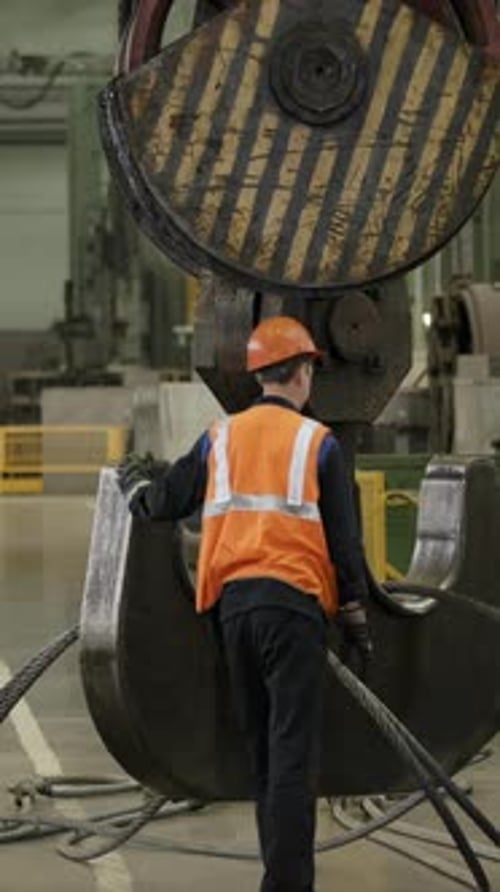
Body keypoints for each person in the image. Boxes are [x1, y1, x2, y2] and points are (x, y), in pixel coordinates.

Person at [117, 315, 372, 892]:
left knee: (262, 754)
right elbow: (344, 545)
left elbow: (164, 501)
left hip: (233, 615)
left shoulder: (220, 437)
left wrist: (132, 488)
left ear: (259, 375)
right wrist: (356, 619)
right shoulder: (318, 443)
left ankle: (275, 877)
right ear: (304, 371)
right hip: (294, 614)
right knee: (292, 759)